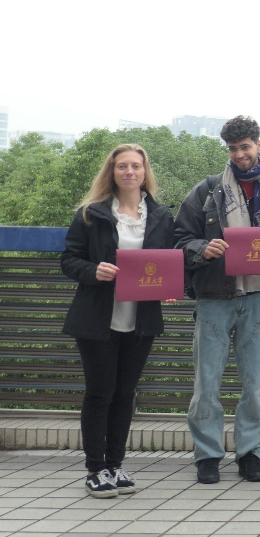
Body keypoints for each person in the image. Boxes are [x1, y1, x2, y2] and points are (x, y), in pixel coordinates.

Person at [175, 116, 260, 485]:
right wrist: (203, 248)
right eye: (232, 149)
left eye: (245, 147)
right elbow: (179, 239)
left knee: (255, 385)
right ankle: (208, 455)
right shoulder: (207, 191)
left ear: (259, 145)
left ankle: (250, 453)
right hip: (215, 297)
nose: (239, 154)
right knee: (206, 383)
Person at [60, 144, 176, 498]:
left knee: (125, 394)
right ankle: (95, 469)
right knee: (100, 394)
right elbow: (69, 260)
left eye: (136, 166)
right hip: (97, 318)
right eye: (122, 166)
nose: (129, 172)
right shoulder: (90, 214)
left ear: (145, 171)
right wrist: (94, 270)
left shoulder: (161, 216)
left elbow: (169, 260)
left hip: (140, 319)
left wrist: (170, 287)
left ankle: (116, 465)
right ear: (111, 172)